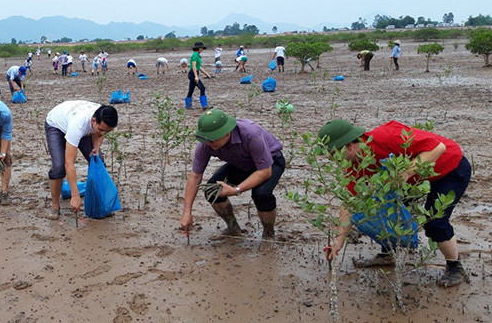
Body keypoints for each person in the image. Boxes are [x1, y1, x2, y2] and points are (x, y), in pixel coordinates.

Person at [318, 119, 471, 287]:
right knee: (379, 206)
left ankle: (455, 267)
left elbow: (438, 147)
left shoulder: (388, 136)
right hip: (416, 178)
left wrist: (407, 172)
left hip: (450, 167)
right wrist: (338, 242)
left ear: (348, 146)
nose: (331, 159)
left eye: (333, 154)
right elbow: (349, 204)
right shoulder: (355, 166)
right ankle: (388, 253)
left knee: (434, 221)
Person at [180, 110, 285, 240]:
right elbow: (195, 176)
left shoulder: (251, 134)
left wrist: (236, 190)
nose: (210, 145)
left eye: (213, 140)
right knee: (212, 190)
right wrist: (187, 213)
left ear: (227, 132)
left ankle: (269, 235)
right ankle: (233, 228)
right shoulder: (206, 144)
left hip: (271, 162)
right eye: (207, 140)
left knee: (261, 194)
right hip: (241, 163)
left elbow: (265, 171)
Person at [45, 101, 118, 217]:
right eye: (101, 130)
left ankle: (99, 204)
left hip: (82, 127)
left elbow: (100, 133)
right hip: (56, 125)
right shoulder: (78, 125)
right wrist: (75, 196)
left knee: (98, 160)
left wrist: (96, 148)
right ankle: (55, 206)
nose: (103, 133)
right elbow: (69, 163)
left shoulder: (103, 115)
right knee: (59, 167)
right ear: (94, 121)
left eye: (107, 131)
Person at [186, 42, 212, 109]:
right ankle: (204, 106)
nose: (202, 49)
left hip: (193, 73)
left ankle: (188, 106)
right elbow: (194, 66)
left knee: (191, 90)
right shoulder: (195, 55)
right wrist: (196, 76)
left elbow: (198, 67)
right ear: (199, 48)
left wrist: (207, 74)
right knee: (202, 88)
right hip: (193, 73)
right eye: (202, 48)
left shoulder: (197, 55)